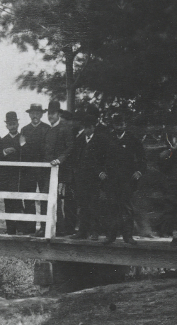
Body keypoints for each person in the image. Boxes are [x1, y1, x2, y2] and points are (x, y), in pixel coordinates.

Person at [68, 107, 111, 240]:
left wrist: (103, 172)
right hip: (82, 178)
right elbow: (76, 156)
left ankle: (95, 231)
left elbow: (107, 158)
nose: (86, 130)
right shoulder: (81, 140)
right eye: (85, 127)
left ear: (94, 127)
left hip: (95, 178)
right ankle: (82, 231)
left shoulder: (101, 140)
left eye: (89, 128)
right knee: (82, 205)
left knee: (94, 205)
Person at [102, 114, 146, 244]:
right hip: (111, 180)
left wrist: (139, 171)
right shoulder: (108, 139)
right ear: (113, 125)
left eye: (121, 124)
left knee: (127, 208)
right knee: (112, 207)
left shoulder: (133, 139)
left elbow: (142, 159)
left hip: (127, 180)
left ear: (125, 124)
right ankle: (111, 236)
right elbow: (99, 158)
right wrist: (101, 172)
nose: (119, 127)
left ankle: (128, 236)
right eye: (116, 125)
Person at [44, 100, 75, 235]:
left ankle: (61, 228)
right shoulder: (48, 129)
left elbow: (70, 148)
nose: (50, 116)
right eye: (49, 114)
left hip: (61, 171)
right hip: (48, 171)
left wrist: (59, 160)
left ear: (58, 114)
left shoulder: (65, 129)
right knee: (48, 198)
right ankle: (49, 227)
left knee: (59, 201)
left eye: (53, 113)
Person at [20, 103, 51, 236]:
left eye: (38, 113)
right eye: (33, 113)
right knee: (29, 197)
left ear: (42, 115)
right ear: (29, 115)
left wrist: (31, 148)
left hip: (43, 169)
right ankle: (30, 226)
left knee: (44, 198)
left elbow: (47, 149)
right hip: (29, 169)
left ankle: (44, 226)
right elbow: (22, 146)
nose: (35, 116)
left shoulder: (47, 129)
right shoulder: (24, 130)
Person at [0, 111, 27, 235]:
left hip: (19, 175)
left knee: (18, 202)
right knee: (8, 202)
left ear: (18, 124)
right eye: (10, 124)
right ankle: (10, 229)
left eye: (14, 124)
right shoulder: (3, 140)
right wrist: (4, 152)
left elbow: (27, 153)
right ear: (6, 125)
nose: (12, 126)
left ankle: (22, 227)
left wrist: (19, 148)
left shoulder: (22, 138)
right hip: (6, 176)